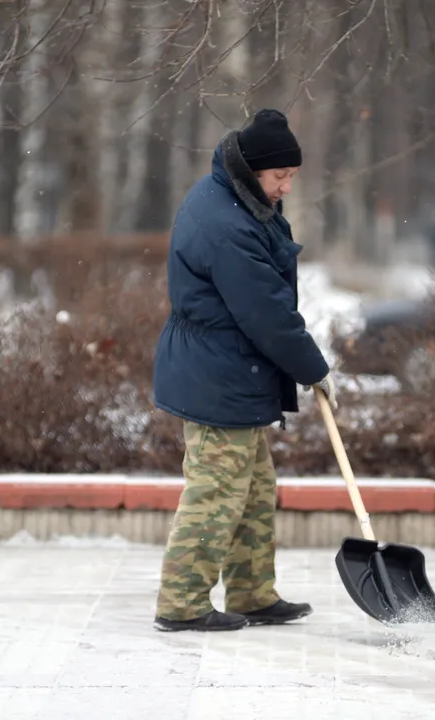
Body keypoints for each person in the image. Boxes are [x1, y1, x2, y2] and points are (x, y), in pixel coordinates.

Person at [151, 109, 338, 632]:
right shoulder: (226, 224)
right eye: (280, 177)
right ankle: (182, 603)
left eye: (291, 178)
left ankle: (253, 594)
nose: (285, 188)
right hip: (216, 376)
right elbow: (266, 313)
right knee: (215, 493)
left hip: (231, 371)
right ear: (253, 170)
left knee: (253, 490)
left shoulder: (234, 200)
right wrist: (313, 368)